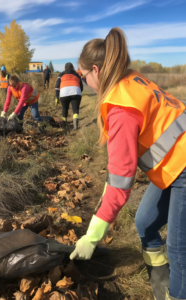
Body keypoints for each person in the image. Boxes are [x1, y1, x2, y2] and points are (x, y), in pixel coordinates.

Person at [70, 28, 186, 300]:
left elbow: (121, 182)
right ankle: (161, 284)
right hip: (174, 164)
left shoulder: (121, 109)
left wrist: (92, 236)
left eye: (82, 75)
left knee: (180, 252)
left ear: (95, 70)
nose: (83, 81)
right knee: (145, 222)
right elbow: (117, 175)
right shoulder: (132, 79)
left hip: (182, 168)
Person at [55, 62, 83, 130]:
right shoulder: (76, 74)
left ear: (65, 68)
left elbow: (56, 86)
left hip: (64, 93)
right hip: (76, 92)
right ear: (72, 68)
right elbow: (81, 86)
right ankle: (75, 127)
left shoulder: (61, 74)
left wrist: (57, 97)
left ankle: (64, 126)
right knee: (75, 110)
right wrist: (78, 92)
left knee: (65, 109)